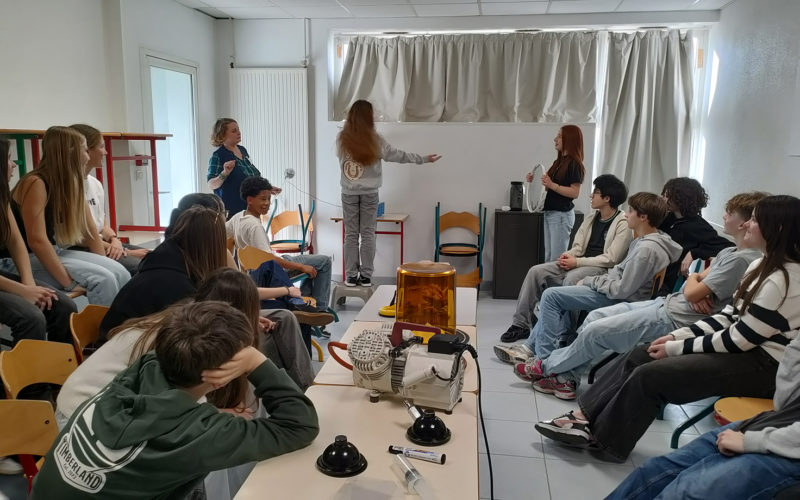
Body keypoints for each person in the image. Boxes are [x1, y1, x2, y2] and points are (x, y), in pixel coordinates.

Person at [534, 195, 800, 462]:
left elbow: (739, 340)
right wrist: (675, 336)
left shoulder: (783, 280)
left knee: (650, 376)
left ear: (776, 229)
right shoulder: (759, 266)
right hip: (742, 348)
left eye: (755, 220)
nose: (748, 225)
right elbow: (729, 316)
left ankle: (606, 443)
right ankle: (583, 418)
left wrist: (677, 346)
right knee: (641, 354)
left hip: (764, 365)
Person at [31, 301, 319, 499]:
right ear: (222, 372)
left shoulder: (141, 370)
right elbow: (300, 426)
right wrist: (257, 361)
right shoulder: (196, 433)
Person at [509, 192, 766, 400]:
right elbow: (696, 285)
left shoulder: (741, 261)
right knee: (590, 316)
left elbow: (633, 289)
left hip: (672, 316)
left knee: (584, 319)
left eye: (729, 214)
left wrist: (695, 283)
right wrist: (696, 282)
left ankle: (544, 364)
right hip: (667, 304)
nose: (723, 216)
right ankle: (565, 379)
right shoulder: (729, 252)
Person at [58, 268, 314, 426]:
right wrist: (207, 412)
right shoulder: (178, 340)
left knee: (240, 411)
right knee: (225, 430)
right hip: (83, 417)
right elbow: (159, 399)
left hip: (103, 405)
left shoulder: (188, 320)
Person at [506, 193, 681, 400]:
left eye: (631, 211)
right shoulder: (648, 241)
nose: (627, 215)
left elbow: (622, 290)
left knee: (552, 297)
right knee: (553, 295)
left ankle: (545, 363)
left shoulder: (646, 249)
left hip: (621, 299)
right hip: (614, 291)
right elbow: (619, 275)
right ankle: (545, 360)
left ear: (643, 217)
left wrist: (591, 281)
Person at [608, 333, 800, 500]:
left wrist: (755, 441)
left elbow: (741, 335)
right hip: (777, 422)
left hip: (784, 441)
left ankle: (606, 439)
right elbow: (784, 402)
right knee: (654, 471)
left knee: (686, 493)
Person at [0, 126, 130, 305]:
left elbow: (89, 230)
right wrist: (68, 283)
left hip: (55, 251)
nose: (88, 155)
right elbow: (37, 241)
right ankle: (102, 332)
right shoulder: (36, 182)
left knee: (120, 271)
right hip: (20, 259)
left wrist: (105, 257)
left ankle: (119, 328)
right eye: (85, 150)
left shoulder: (71, 182)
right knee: (104, 280)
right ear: (71, 152)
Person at [499, 174, 631, 342]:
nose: (591, 195)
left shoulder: (623, 223)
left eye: (595, 192)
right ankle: (521, 325)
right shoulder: (592, 218)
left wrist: (577, 262)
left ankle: (566, 333)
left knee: (571, 278)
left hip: (602, 268)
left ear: (607, 198)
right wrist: (568, 256)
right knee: (536, 271)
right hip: (579, 262)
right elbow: (578, 247)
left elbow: (611, 259)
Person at [336, 99, 441, 287]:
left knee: (351, 235)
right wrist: (423, 159)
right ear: (369, 117)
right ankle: (366, 276)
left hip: (348, 193)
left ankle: (351, 276)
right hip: (370, 194)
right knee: (368, 233)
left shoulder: (342, 138)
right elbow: (397, 155)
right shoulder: (375, 139)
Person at [0, 137, 77, 346]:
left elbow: (16, 242)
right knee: (30, 317)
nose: (14, 164)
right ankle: (21, 378)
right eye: (8, 158)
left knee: (62, 305)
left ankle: (57, 369)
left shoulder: (2, 196)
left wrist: (28, 282)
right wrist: (22, 291)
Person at [228, 175, 332, 310]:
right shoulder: (254, 226)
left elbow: (222, 231)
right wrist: (300, 267)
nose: (267, 203)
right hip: (273, 270)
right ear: (250, 200)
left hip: (252, 270)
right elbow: (270, 261)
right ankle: (320, 310)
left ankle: (305, 301)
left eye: (269, 199)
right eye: (263, 199)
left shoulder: (238, 216)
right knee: (324, 262)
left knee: (314, 264)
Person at [69, 124, 148, 275]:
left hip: (104, 243)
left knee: (157, 258)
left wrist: (115, 239)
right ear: (87, 150)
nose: (106, 152)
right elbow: (80, 238)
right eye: (102, 147)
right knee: (141, 267)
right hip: (82, 248)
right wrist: (126, 252)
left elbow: (103, 224)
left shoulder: (95, 183)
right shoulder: (68, 187)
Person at [659, 177, 735, 293]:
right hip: (655, 271)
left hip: (667, 284)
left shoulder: (698, 226)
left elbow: (729, 247)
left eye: (667, 195)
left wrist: (693, 252)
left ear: (681, 198)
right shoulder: (667, 218)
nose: (663, 198)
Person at [206, 118, 280, 218]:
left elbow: (251, 179)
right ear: (222, 135)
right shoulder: (218, 155)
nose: (238, 132)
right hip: (232, 213)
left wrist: (267, 188)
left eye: (238, 129)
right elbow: (211, 185)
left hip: (251, 209)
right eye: (234, 131)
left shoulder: (242, 150)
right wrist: (225, 173)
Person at [534, 125, 586, 262]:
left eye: (559, 136)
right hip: (551, 213)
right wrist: (534, 181)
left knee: (556, 259)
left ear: (569, 139)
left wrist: (552, 185)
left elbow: (575, 192)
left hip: (561, 216)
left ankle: (556, 284)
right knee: (549, 257)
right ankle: (550, 284)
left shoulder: (575, 164)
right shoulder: (558, 162)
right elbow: (548, 187)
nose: (555, 139)